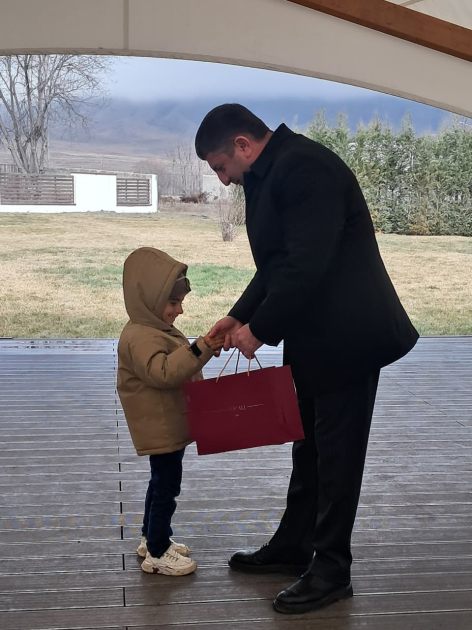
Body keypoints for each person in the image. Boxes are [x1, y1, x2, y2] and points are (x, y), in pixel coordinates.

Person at [195, 104, 419, 613]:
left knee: (338, 457)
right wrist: (239, 316)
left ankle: (332, 570)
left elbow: (306, 263)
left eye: (221, 167)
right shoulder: (271, 171)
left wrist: (259, 330)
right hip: (315, 334)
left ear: (243, 145)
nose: (223, 180)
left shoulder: (306, 167)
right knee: (310, 447)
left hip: (350, 337)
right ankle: (295, 544)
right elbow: (276, 263)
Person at [117, 247, 224, 576]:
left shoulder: (152, 329)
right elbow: (162, 373)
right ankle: (158, 551)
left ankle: (150, 537)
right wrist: (202, 347)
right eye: (173, 303)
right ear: (150, 300)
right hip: (161, 427)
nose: (180, 310)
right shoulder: (141, 337)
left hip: (165, 423)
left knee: (159, 482)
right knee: (166, 487)